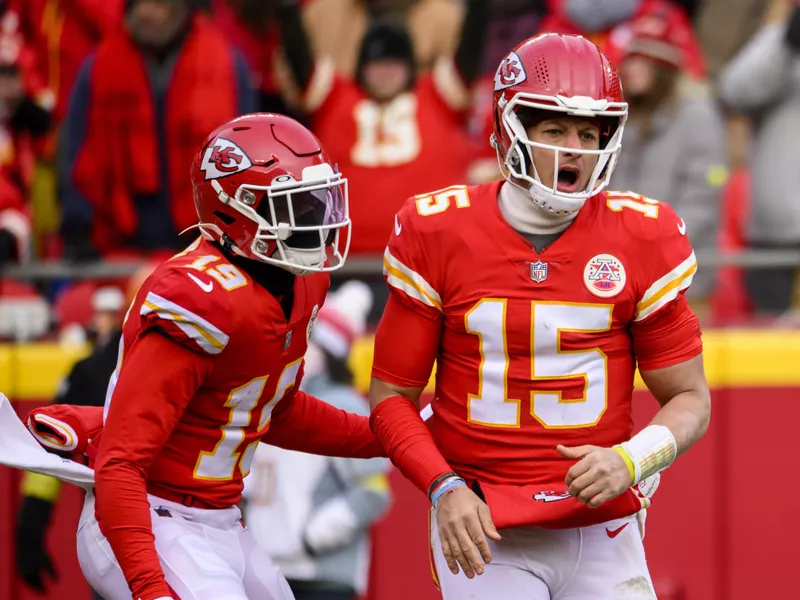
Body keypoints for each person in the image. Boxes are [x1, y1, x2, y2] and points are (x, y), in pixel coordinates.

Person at [368, 33, 711, 599]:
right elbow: (390, 398)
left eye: (587, 131)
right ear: (511, 130)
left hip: (603, 521)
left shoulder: (643, 235)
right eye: (554, 128)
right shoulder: (438, 231)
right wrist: (441, 486)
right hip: (482, 518)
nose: (574, 147)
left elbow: (691, 398)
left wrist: (633, 459)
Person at [75, 112, 386, 600]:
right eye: (296, 207)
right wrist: (150, 587)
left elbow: (273, 408)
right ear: (234, 211)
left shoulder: (300, 283)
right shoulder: (199, 296)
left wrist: (387, 436)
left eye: (318, 201)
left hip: (220, 519)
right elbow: (121, 464)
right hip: (150, 513)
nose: (318, 221)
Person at [243, 280, 391, 600]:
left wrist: (315, 535)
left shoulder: (345, 404)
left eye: (309, 342)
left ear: (329, 353)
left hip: (325, 575)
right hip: (267, 568)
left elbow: (374, 490)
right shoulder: (268, 401)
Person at [15, 286, 124, 598]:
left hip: (112, 533)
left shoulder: (89, 370)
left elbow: (47, 447)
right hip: (189, 531)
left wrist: (31, 527)